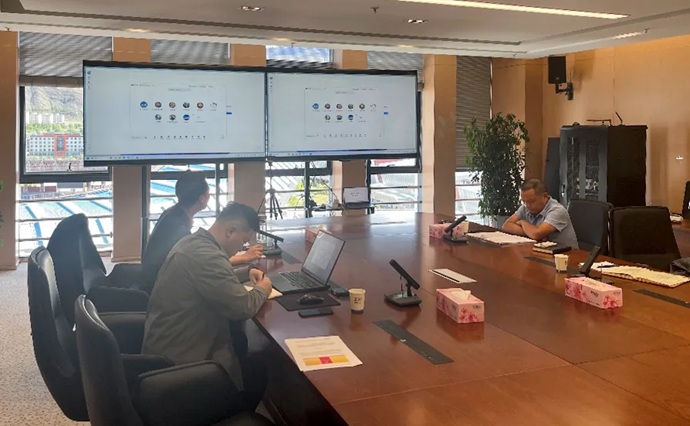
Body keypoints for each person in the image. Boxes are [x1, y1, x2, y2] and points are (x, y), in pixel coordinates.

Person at [142, 202, 272, 414]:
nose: (241, 248)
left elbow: (213, 278)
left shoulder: (194, 242)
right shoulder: (207, 255)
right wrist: (263, 289)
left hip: (169, 348)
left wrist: (246, 272)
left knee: (240, 342)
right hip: (183, 364)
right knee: (257, 372)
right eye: (243, 241)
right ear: (231, 231)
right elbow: (243, 308)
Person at [140, 171, 263, 295]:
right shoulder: (180, 228)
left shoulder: (172, 214)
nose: (209, 196)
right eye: (208, 193)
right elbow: (203, 263)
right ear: (201, 198)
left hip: (152, 282)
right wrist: (243, 257)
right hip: (157, 289)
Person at [502, 178, 579, 248]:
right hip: (541, 250)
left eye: (531, 201)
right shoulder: (525, 207)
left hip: (566, 255)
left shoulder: (557, 210)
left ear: (545, 196)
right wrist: (530, 233)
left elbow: (537, 234)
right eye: (524, 201)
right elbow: (506, 225)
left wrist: (523, 223)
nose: (527, 205)